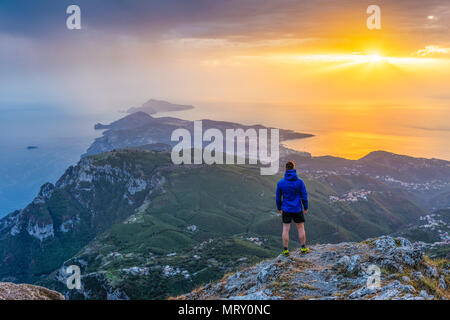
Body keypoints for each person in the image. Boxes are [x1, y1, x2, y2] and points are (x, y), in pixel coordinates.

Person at [276, 160, 309, 257]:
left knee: (286, 229)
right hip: (297, 208)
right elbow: (304, 196)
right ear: (294, 169)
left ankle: (285, 250)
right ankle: (303, 248)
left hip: (286, 209)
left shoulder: (281, 183)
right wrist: (305, 207)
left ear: (285, 169)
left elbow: (278, 198)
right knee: (300, 228)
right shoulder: (299, 182)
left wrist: (279, 208)